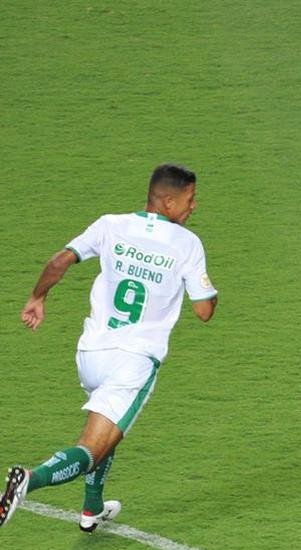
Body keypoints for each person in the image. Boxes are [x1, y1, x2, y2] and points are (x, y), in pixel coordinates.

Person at [0, 163, 218, 530]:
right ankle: (29, 479)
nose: (194, 206)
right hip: (133, 362)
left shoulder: (110, 224)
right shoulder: (187, 244)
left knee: (111, 429)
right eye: (190, 199)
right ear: (167, 201)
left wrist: (37, 298)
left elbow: (59, 261)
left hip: (90, 353)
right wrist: (208, 291)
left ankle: (92, 508)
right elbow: (203, 311)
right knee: (92, 448)